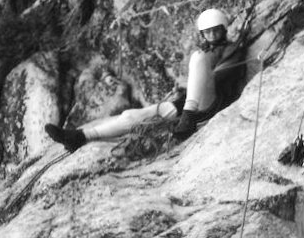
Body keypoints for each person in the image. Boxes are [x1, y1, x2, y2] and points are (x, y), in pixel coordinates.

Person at [44, 8, 247, 152]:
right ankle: (79, 137)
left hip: (213, 103)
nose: (211, 34)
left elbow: (221, 76)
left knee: (197, 58)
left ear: (223, 28)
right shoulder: (206, 51)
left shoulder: (232, 49)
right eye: (207, 31)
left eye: (215, 30)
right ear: (202, 33)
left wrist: (196, 79)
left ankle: (188, 118)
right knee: (133, 115)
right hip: (188, 103)